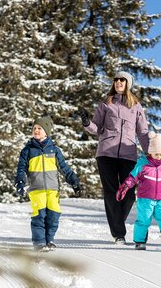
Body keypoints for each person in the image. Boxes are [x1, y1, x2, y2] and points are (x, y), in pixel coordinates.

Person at [80, 71, 150, 244]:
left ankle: (117, 222)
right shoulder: (106, 103)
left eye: (122, 80)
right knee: (111, 193)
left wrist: (149, 153)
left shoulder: (136, 106)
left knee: (129, 195)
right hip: (106, 153)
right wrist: (87, 124)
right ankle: (119, 234)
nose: (119, 82)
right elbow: (98, 128)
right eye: (116, 79)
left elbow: (142, 132)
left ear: (128, 84)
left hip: (128, 154)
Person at [15, 116, 81, 252]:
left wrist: (74, 181)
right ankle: (39, 242)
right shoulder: (27, 150)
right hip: (36, 189)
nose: (36, 131)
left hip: (53, 189)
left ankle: (49, 239)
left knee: (53, 215)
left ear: (46, 131)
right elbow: (21, 169)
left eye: (40, 128)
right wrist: (20, 182)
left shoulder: (55, 151)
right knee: (39, 216)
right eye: (34, 128)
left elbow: (64, 168)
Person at [115, 132, 161, 251]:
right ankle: (140, 242)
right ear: (150, 151)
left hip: (160, 200)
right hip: (145, 200)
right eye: (156, 154)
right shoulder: (142, 165)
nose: (159, 157)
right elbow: (132, 178)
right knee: (143, 220)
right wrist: (124, 187)